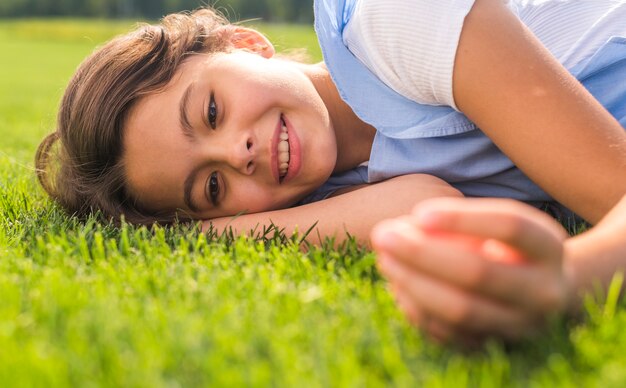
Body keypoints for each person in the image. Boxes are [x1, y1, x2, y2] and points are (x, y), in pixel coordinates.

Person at [35, 0, 626, 341]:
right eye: (213, 187)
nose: (238, 154)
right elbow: (422, 204)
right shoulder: (334, 185)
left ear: (244, 44)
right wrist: (195, 236)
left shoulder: (393, 22)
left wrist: (572, 279)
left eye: (211, 112)